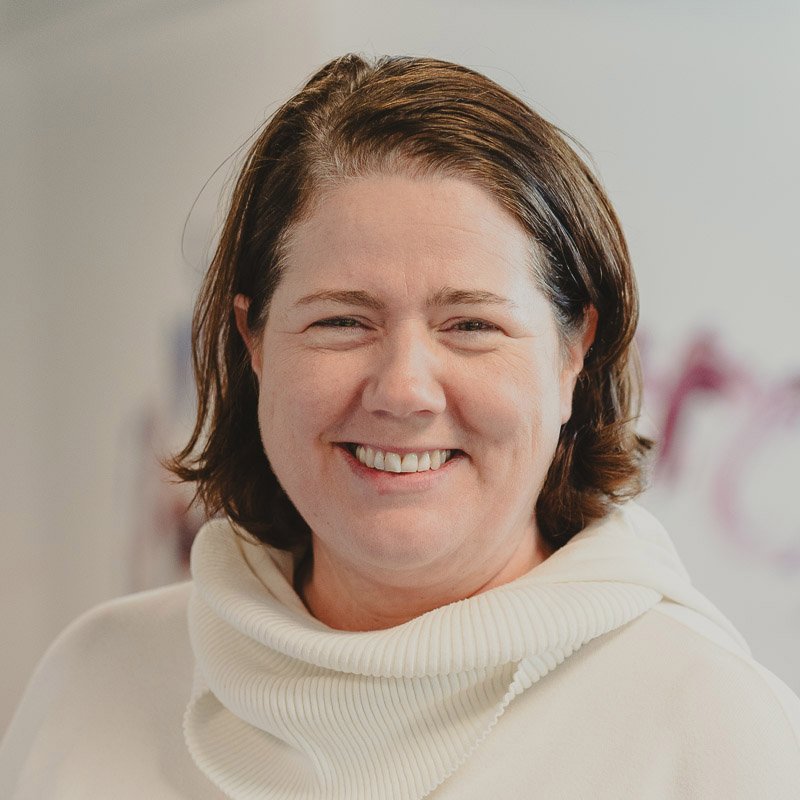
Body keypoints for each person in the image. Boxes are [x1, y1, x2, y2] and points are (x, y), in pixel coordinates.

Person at [1, 53, 799, 799]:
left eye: (471, 325)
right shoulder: (95, 678)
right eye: (342, 322)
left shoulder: (714, 731)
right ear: (253, 343)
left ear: (573, 356)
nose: (405, 391)